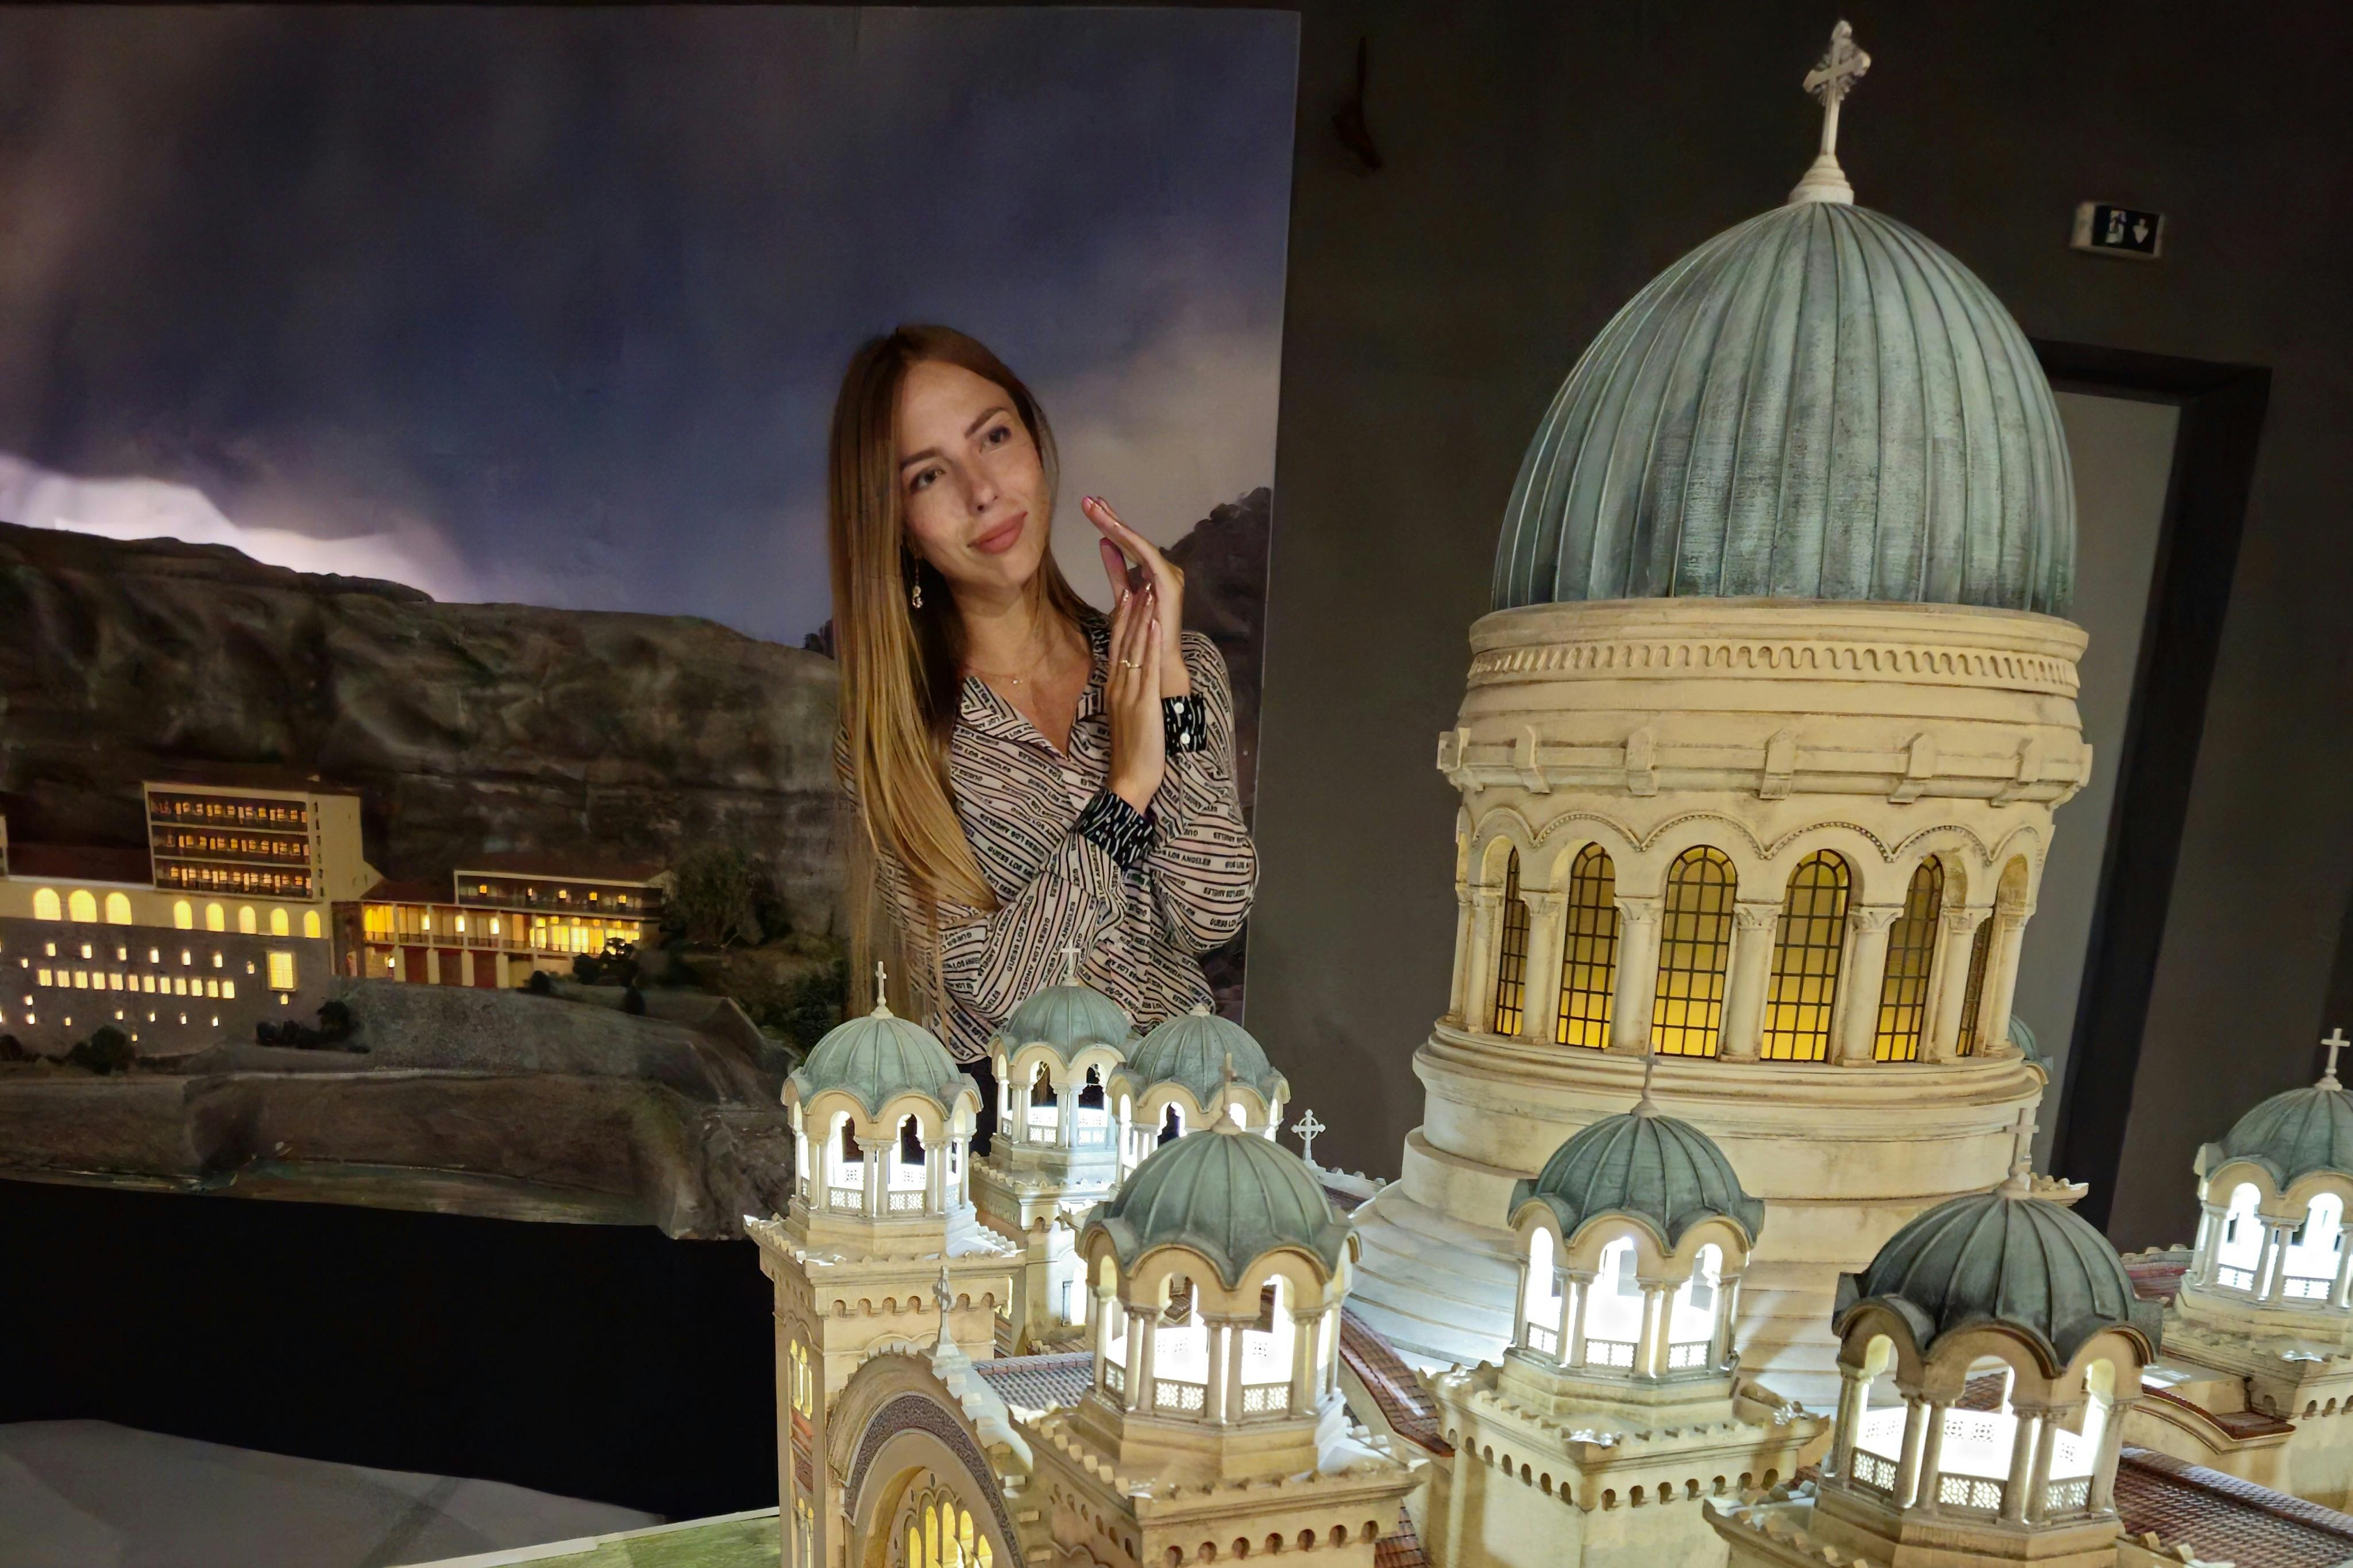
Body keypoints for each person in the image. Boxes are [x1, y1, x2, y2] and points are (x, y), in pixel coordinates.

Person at [824, 324, 1255, 1136]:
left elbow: (1211, 912)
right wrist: (1125, 794)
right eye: (928, 475)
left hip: (1183, 1134)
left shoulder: (1179, 665)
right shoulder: (896, 737)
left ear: (1034, 436)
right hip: (1016, 1152)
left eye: (994, 435)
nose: (982, 490)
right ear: (896, 524)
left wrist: (1168, 688)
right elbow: (993, 987)